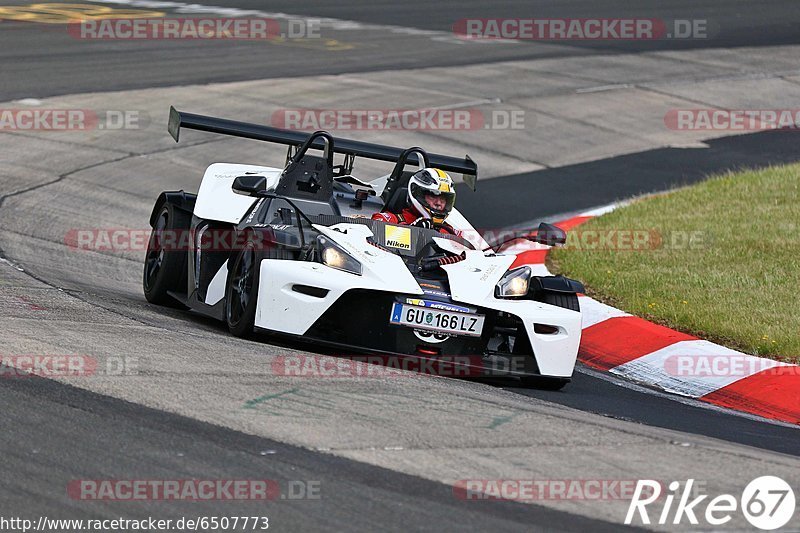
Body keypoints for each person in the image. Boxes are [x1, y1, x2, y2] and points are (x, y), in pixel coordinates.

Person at [372, 168, 459, 235]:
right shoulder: (390, 220)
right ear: (418, 194)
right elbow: (374, 226)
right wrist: (412, 230)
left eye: (443, 199)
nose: (438, 203)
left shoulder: (449, 231)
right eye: (433, 196)